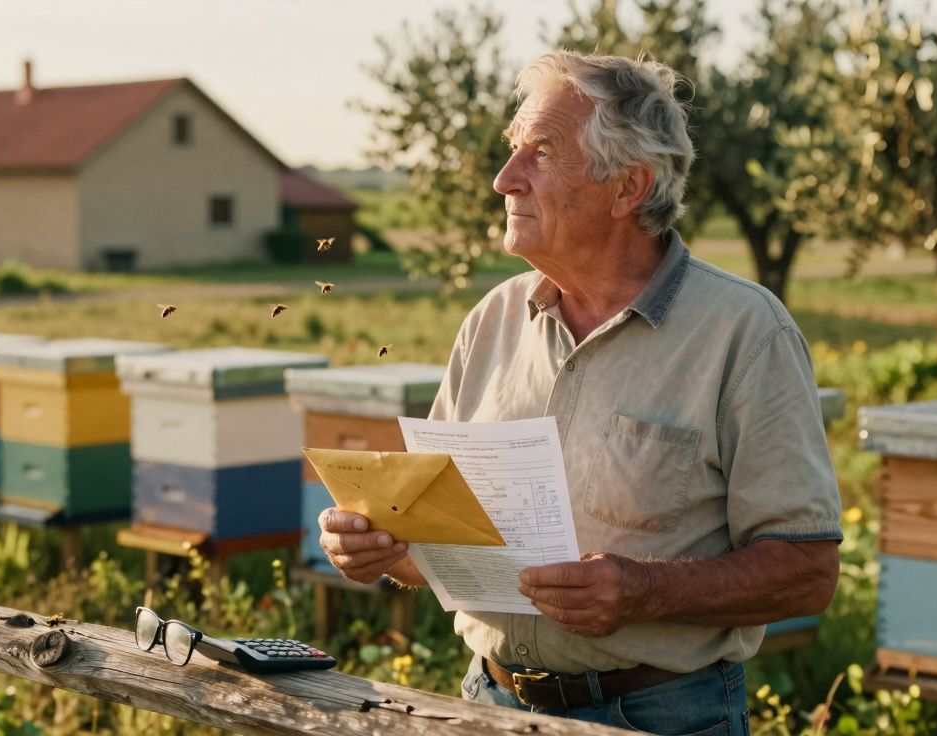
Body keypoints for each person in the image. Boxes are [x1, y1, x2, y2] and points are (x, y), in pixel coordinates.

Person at [318, 50, 842, 734]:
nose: (506, 179)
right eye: (513, 150)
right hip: (487, 704)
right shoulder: (492, 321)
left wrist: (644, 592)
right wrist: (388, 550)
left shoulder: (745, 333)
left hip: (662, 716)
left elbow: (807, 570)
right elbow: (450, 550)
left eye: (540, 153)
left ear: (628, 188)